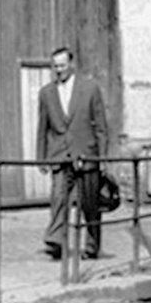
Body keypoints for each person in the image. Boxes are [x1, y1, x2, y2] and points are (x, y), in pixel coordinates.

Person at [36, 46, 108, 259]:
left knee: (89, 203)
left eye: (63, 66)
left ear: (71, 64)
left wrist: (102, 157)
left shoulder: (90, 88)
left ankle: (92, 246)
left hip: (86, 153)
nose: (59, 70)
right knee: (58, 197)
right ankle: (56, 242)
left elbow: (101, 126)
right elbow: (42, 127)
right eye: (55, 66)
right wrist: (41, 158)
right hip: (60, 154)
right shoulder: (46, 93)